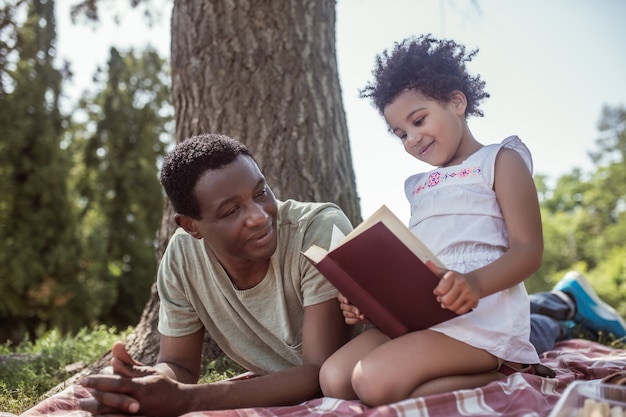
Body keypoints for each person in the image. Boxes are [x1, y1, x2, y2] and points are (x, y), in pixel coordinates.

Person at [318, 34, 603, 407]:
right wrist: (366, 301)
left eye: (419, 120)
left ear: (456, 102)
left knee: (372, 382)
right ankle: (423, 381)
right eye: (400, 133)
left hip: (479, 320)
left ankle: (505, 371)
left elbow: (529, 251)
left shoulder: (500, 160)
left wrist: (474, 282)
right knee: (334, 379)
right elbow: (416, 262)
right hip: (422, 319)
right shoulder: (418, 186)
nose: (412, 139)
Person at [78, 133, 356, 416]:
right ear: (191, 226)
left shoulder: (315, 230)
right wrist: (148, 385)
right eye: (232, 210)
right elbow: (179, 366)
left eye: (260, 193)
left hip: (361, 370)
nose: (258, 216)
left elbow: (317, 372)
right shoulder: (183, 257)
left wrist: (186, 399)